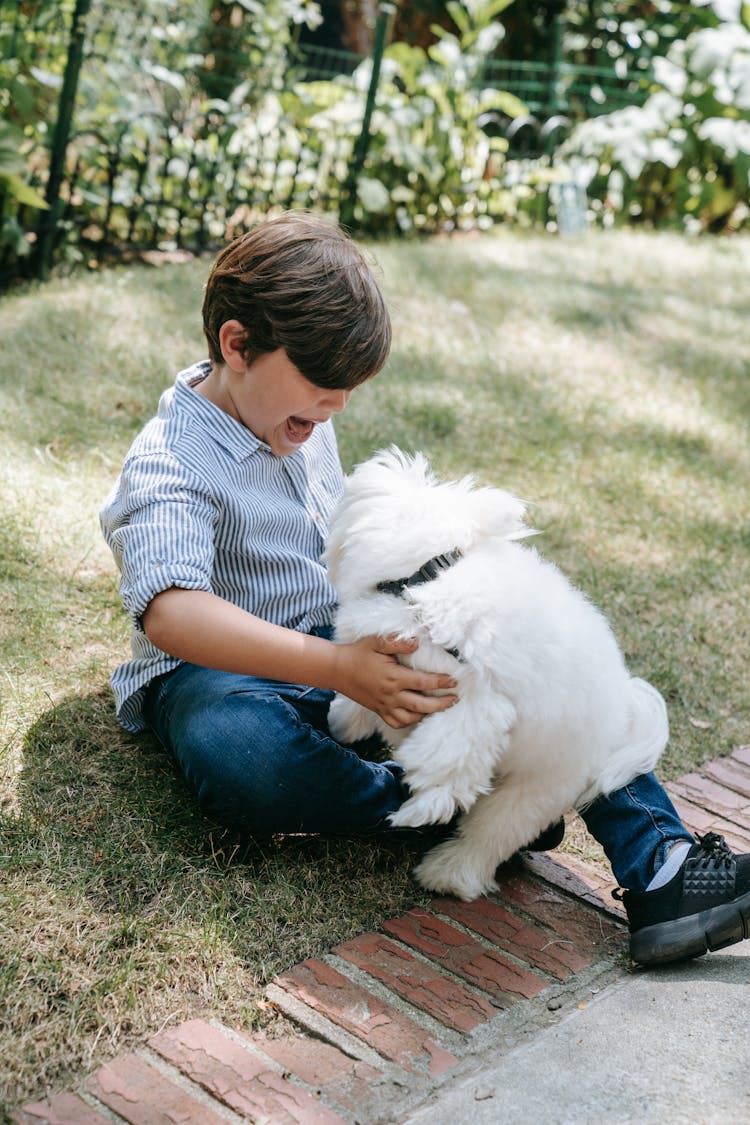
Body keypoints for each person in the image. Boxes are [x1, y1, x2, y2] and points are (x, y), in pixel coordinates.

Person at [100, 211, 750, 968]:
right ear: (237, 344)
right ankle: (449, 813)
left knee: (542, 663)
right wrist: (341, 670)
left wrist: (381, 644)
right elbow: (173, 612)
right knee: (237, 748)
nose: (334, 409)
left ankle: (662, 863)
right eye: (318, 387)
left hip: (343, 642)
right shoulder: (171, 460)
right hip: (227, 674)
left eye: (344, 392)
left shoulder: (297, 416)